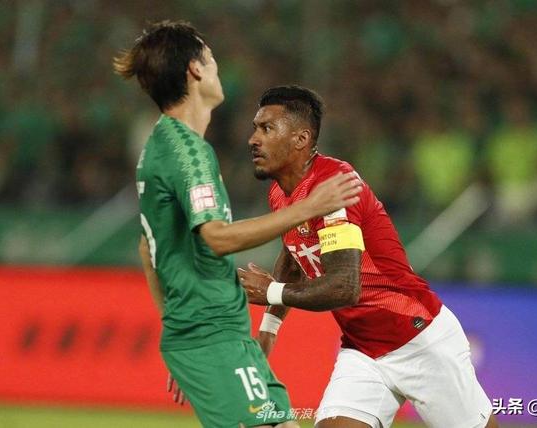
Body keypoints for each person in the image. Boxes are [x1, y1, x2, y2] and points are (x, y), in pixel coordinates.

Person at [113, 22, 362, 428]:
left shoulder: (161, 145)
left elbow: (148, 247)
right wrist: (309, 207)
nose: (217, 68)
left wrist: (179, 333)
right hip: (212, 337)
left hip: (219, 336)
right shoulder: (187, 152)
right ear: (195, 70)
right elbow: (216, 238)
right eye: (211, 59)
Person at [238, 85, 498, 428]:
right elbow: (293, 252)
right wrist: (269, 330)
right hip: (362, 350)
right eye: (255, 128)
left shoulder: (335, 185)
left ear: (301, 139)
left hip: (417, 338)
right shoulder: (280, 193)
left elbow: (345, 287)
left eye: (266, 128)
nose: (253, 139)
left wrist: (270, 291)